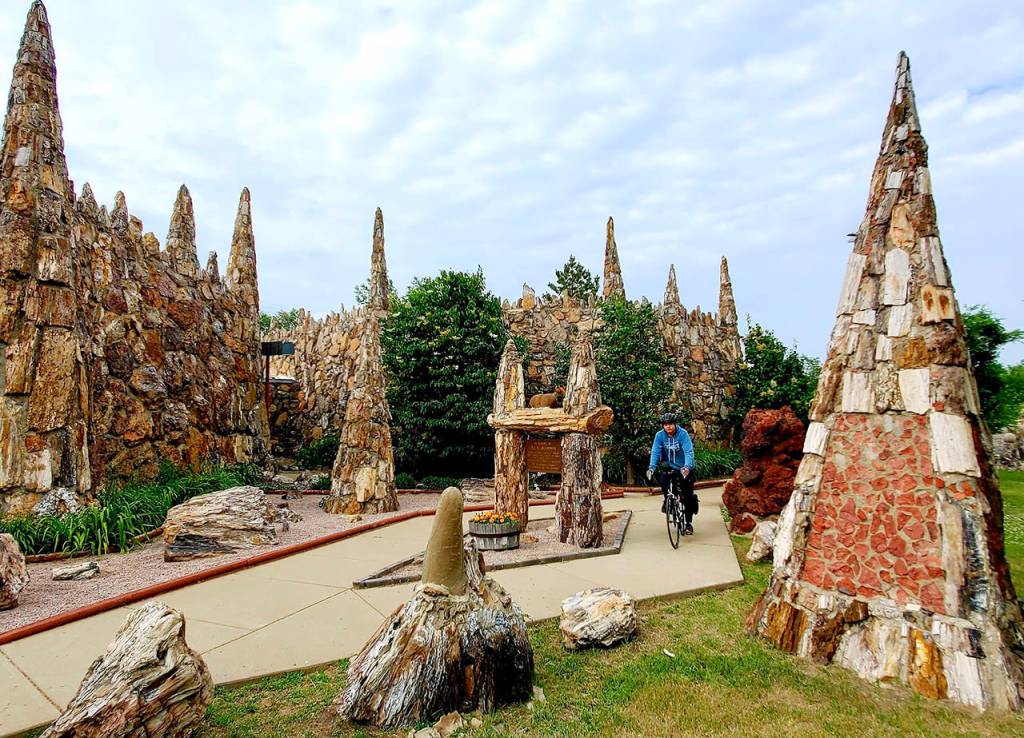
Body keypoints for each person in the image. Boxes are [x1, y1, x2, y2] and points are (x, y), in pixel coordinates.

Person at [646, 412, 698, 535]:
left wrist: (687, 467)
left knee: (688, 496)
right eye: (665, 424)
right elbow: (655, 452)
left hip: (684, 468)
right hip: (668, 467)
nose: (668, 427)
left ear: (675, 424)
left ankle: (688, 523)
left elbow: (688, 452)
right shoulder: (659, 436)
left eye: (670, 424)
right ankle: (668, 500)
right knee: (663, 481)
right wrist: (651, 468)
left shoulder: (683, 434)